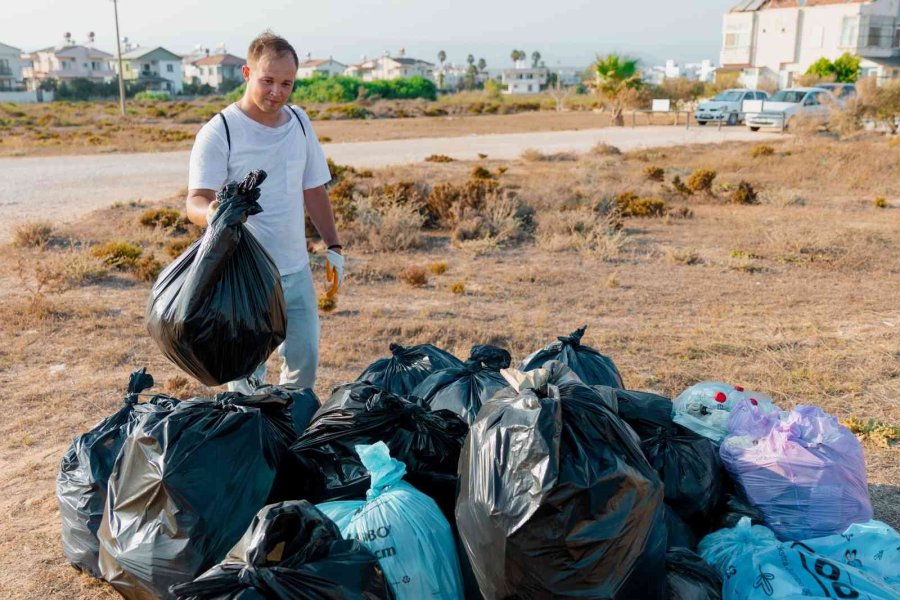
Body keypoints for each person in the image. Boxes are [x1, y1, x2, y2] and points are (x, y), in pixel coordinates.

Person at [185, 31, 343, 393]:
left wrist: (334, 246)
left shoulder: (300, 122)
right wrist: (214, 214)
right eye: (267, 81)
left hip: (295, 270)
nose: (277, 92)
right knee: (245, 378)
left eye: (287, 83)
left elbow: (313, 187)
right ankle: (251, 442)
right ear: (246, 73)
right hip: (244, 275)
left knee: (304, 368)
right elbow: (194, 199)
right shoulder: (220, 131)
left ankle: (289, 438)